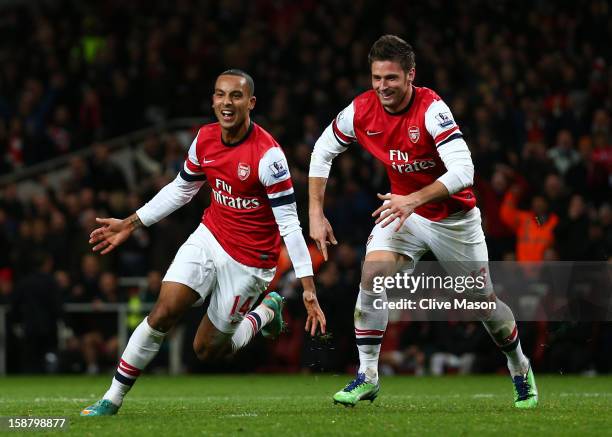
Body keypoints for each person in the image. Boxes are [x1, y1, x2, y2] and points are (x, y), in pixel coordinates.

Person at [309, 35, 537, 408]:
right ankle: (367, 376)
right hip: (403, 213)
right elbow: (322, 150)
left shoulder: (432, 110)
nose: (382, 86)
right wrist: (316, 214)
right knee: (372, 274)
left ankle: (519, 365)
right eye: (376, 78)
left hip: (452, 220)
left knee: (482, 303)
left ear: (411, 75)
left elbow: (465, 171)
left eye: (391, 79)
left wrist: (413, 199)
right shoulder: (361, 110)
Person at [81, 69, 326, 416]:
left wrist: (308, 288)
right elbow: (182, 188)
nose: (227, 103)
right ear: (213, 100)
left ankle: (265, 312)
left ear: (251, 103)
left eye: (236, 96)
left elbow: (289, 224)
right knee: (163, 311)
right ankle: (112, 398)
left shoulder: (269, 157)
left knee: (207, 350)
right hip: (210, 237)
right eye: (220, 95)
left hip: (251, 262)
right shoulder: (204, 139)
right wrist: (131, 223)